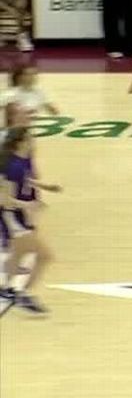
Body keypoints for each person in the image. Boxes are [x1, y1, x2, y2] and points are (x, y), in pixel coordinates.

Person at [0, 128, 61, 316]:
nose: (33, 141)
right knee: (45, 256)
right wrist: (28, 205)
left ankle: (8, 290)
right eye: (29, 138)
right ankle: (22, 294)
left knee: (18, 255)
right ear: (20, 142)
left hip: (20, 217)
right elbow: (5, 200)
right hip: (13, 218)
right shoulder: (12, 167)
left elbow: (27, 180)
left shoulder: (23, 160)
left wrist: (47, 187)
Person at [2, 64, 58, 139]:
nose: (32, 77)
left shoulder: (39, 93)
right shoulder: (11, 94)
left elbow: (54, 111)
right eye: (28, 74)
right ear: (20, 77)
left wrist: (50, 108)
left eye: (34, 74)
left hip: (27, 133)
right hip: (12, 133)